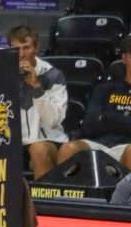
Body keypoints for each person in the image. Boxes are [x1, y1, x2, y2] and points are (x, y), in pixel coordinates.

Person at [56, 36, 131, 170]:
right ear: (125, 58)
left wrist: (108, 116)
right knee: (68, 149)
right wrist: (124, 122)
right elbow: (89, 127)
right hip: (100, 145)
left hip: (127, 147)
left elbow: (103, 121)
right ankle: (63, 191)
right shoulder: (105, 89)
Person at [6, 24, 68, 178]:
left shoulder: (53, 75)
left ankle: (42, 202)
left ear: (37, 47)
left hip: (48, 140)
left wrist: (36, 86)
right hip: (13, 143)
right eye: (16, 48)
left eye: (26, 47)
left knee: (38, 149)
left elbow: (53, 120)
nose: (21, 54)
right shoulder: (1, 75)